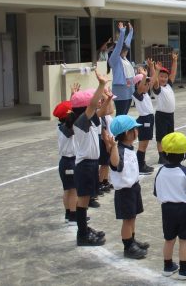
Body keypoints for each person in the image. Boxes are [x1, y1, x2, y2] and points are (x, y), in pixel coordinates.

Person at [154, 132, 186, 280]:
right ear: (184, 155)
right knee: (184, 240)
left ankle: (168, 266)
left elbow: (157, 192)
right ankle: (184, 269)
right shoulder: (185, 172)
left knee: (169, 239)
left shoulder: (161, 171)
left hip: (167, 208)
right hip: (184, 208)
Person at [71, 71, 110, 246]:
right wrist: (101, 85)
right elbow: (94, 105)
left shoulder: (90, 119)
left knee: (86, 199)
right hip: (85, 165)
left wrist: (107, 98)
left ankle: (84, 229)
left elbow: (103, 110)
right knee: (84, 199)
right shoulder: (80, 120)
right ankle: (82, 234)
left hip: (91, 164)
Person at [108, 115, 149, 259]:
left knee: (133, 217)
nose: (137, 131)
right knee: (127, 219)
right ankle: (128, 246)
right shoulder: (119, 150)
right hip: (125, 191)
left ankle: (132, 240)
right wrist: (113, 147)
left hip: (133, 187)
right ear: (127, 132)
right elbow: (114, 164)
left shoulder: (129, 147)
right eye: (135, 129)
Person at [53, 98, 77, 225]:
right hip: (69, 162)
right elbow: (71, 122)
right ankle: (73, 215)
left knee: (67, 190)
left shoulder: (60, 126)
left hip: (64, 162)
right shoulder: (66, 128)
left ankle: (68, 213)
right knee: (73, 190)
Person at [151, 53, 178, 165]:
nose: (164, 78)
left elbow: (173, 74)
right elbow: (155, 81)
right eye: (161, 76)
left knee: (169, 136)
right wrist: (155, 70)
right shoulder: (158, 89)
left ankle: (167, 154)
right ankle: (161, 156)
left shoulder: (169, 85)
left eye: (165, 77)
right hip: (161, 115)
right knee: (161, 137)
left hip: (170, 115)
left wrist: (175, 61)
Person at [133, 61, 156, 174]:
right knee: (143, 144)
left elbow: (152, 81)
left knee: (145, 144)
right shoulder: (137, 94)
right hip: (144, 120)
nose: (147, 86)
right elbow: (141, 86)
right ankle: (140, 165)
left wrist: (153, 69)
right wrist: (143, 76)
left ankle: (142, 163)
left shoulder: (145, 93)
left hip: (149, 119)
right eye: (145, 84)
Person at [108, 21, 135, 115]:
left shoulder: (124, 59)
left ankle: (123, 130)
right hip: (121, 91)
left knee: (125, 114)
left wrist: (131, 31)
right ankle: (119, 130)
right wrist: (122, 32)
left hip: (129, 90)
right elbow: (120, 46)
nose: (126, 51)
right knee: (120, 114)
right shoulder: (115, 59)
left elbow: (126, 42)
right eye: (125, 50)